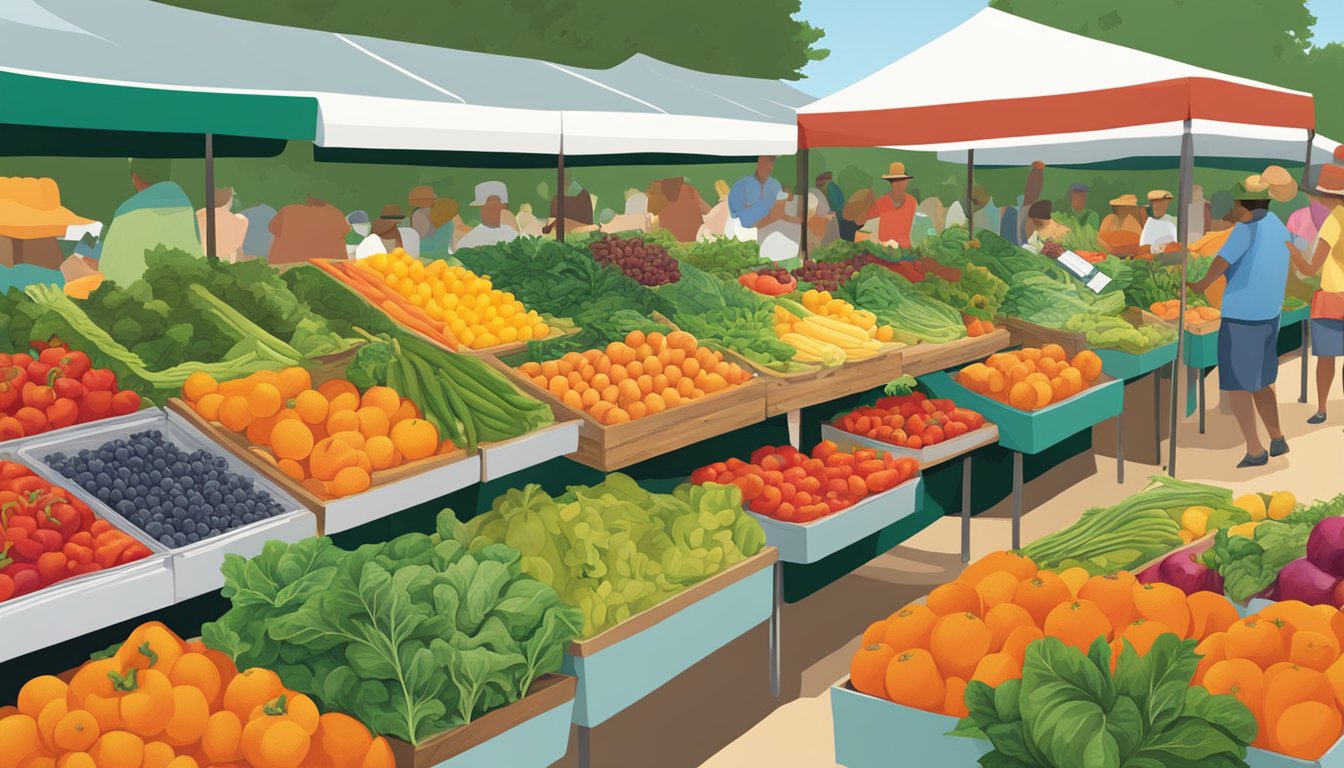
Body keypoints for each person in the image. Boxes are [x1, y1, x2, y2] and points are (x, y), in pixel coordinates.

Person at [1188, 178, 1293, 467]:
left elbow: (1220, 263)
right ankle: (1277, 437)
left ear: (1242, 205)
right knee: (1262, 380)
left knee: (1237, 386)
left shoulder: (1244, 230)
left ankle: (1255, 450)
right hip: (1270, 316)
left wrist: (1200, 285)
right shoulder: (1277, 224)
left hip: (1242, 318)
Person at [1287, 162, 1344, 424]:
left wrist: (1291, 248)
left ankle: (1322, 409)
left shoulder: (1334, 221)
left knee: (1326, 358)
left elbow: (1310, 269)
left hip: (1333, 300)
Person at [98, 158, 203, 285]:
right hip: (183, 294)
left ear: (134, 177)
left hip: (135, 298)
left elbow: (108, 271)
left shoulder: (125, 214)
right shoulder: (187, 209)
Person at [843, 162, 918, 248]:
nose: (899, 184)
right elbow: (859, 220)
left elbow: (915, 229)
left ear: (906, 182)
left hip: (905, 250)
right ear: (891, 183)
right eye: (895, 181)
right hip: (884, 250)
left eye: (901, 180)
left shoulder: (912, 202)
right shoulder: (883, 202)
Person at [267, 197, 350, 265]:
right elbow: (345, 231)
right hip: (329, 268)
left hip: (285, 265)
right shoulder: (335, 213)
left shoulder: (288, 210)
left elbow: (273, 228)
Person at [728, 156, 786, 237]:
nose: (770, 169)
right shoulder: (741, 185)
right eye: (766, 165)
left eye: (772, 165)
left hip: (770, 231)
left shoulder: (775, 185)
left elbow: (779, 212)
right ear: (758, 165)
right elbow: (735, 218)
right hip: (745, 232)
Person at [457, 181, 518, 249]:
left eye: (493, 206)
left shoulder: (513, 235)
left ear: (504, 207)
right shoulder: (469, 241)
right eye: (485, 207)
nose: (486, 212)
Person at [195, 187, 248, 262]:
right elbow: (238, 250)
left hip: (203, 264)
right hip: (226, 266)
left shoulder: (198, 216)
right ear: (229, 199)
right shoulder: (240, 221)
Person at [648, 177, 708, 242]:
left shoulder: (655, 198)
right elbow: (709, 213)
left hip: (669, 245)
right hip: (696, 244)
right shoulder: (691, 191)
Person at [817, 172, 857, 242]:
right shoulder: (833, 186)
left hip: (839, 216)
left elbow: (836, 205)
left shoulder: (831, 187)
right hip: (840, 215)